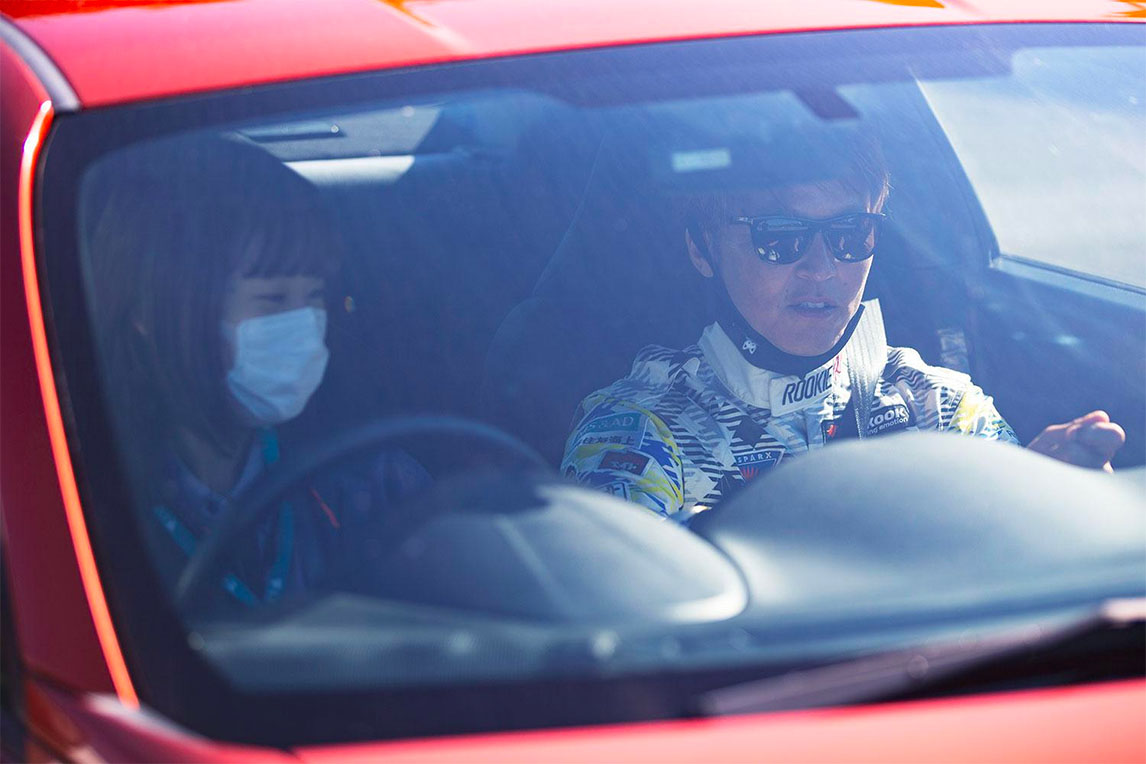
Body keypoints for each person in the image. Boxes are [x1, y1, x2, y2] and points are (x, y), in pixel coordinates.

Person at [560, 131, 1125, 521]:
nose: (822, 269)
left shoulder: (938, 405)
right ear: (702, 249)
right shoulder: (638, 433)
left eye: (850, 234)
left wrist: (1047, 498)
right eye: (779, 237)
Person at [86, 135, 427, 608]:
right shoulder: (87, 502)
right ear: (151, 309)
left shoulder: (370, 485)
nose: (304, 326)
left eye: (314, 296)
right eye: (272, 299)